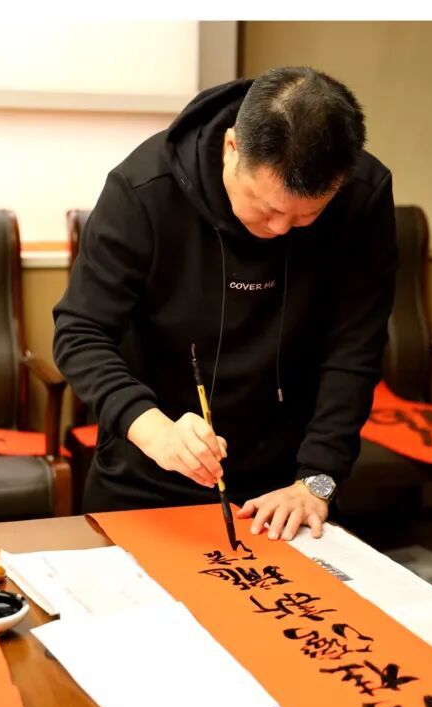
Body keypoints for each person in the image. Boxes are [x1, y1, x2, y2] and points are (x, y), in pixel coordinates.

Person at [53, 67, 397, 539]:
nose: (280, 230)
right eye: (267, 208)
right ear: (232, 147)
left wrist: (318, 479)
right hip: (150, 467)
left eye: (308, 215)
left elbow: (354, 349)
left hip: (285, 488)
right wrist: (153, 430)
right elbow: (80, 331)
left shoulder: (362, 196)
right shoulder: (144, 189)